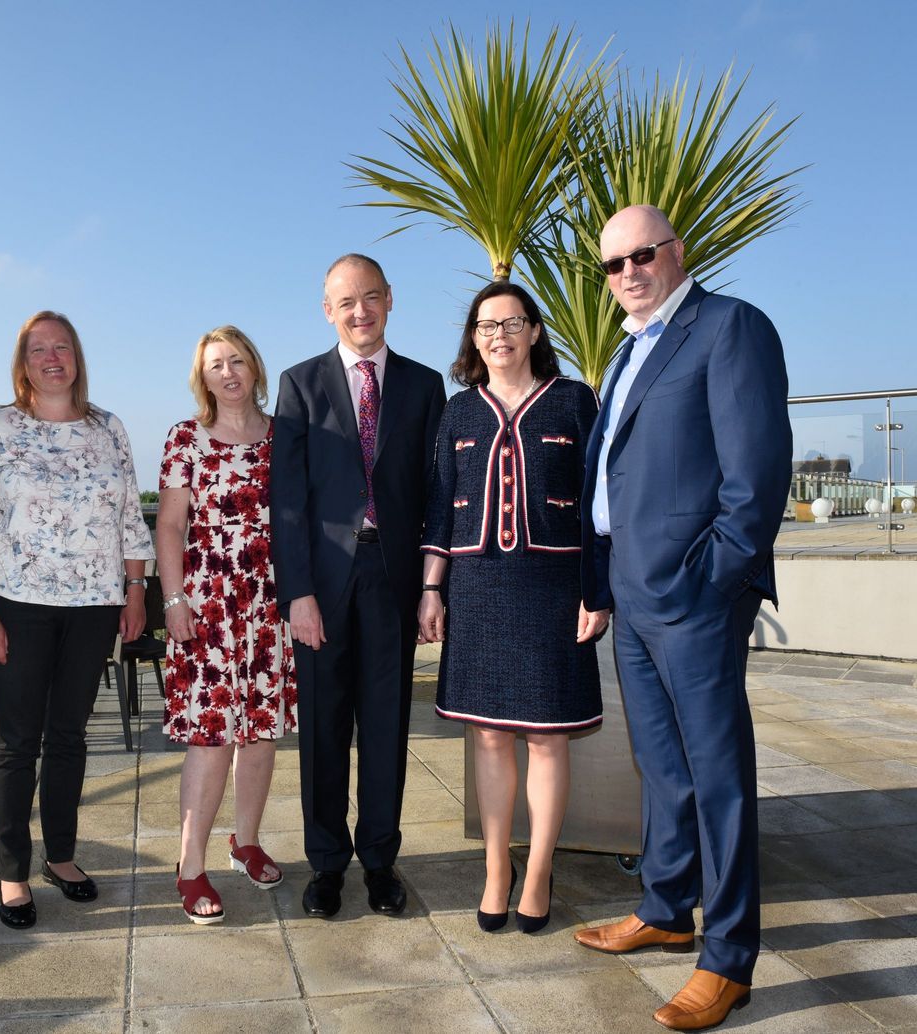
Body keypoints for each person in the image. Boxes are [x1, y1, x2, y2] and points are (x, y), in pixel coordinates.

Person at [574, 205, 791, 1031]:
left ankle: (728, 959)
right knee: (661, 766)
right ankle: (666, 908)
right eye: (613, 264)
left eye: (643, 254)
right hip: (632, 594)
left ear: (678, 251)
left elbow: (757, 476)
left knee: (718, 777)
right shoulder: (630, 350)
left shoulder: (729, 327)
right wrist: (606, 583)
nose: (628, 272)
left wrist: (712, 579)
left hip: (694, 597)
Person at [418, 281, 610, 934]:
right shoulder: (458, 412)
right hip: (475, 590)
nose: (497, 335)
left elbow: (598, 503)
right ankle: (497, 868)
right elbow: (440, 505)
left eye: (510, 323)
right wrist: (431, 588)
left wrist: (596, 590)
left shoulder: (573, 400)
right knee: (490, 736)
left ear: (534, 331)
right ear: (473, 339)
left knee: (549, 739)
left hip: (554, 590)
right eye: (485, 325)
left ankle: (539, 872)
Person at [0, 311, 153, 930]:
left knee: (69, 735)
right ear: (23, 363)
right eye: (38, 349)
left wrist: (136, 592)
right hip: (17, 607)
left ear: (77, 357)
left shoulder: (108, 428)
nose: (51, 358)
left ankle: (60, 856)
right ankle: (12, 873)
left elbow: (129, 517)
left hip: (94, 607)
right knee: (17, 741)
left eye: (61, 347)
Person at [271, 254, 445, 919]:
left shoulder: (425, 385)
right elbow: (287, 500)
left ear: (390, 299)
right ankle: (325, 863)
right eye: (346, 301)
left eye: (370, 297)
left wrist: (432, 586)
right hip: (322, 586)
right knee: (322, 728)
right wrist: (298, 594)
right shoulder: (299, 384)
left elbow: (437, 494)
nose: (360, 311)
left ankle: (379, 860)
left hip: (393, 580)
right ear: (327, 311)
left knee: (385, 724)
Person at [157, 325, 298, 925]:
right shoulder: (185, 437)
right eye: (216, 364)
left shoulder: (284, 437)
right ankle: (190, 865)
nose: (228, 373)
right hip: (207, 606)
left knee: (261, 733)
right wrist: (173, 600)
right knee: (211, 737)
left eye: (237, 361)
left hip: (269, 602)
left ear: (255, 368)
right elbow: (169, 525)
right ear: (203, 377)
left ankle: (246, 842)